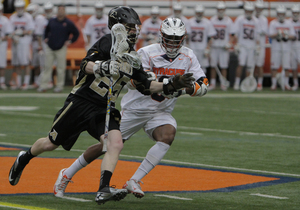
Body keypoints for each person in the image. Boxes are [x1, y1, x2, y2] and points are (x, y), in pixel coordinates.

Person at [8, 7, 194, 205]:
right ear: (117, 27)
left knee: (115, 142)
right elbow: (85, 64)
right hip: (81, 101)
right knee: (50, 143)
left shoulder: (133, 56)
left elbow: (147, 85)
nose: (134, 31)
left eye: (135, 27)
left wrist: (171, 84)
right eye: (129, 27)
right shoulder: (107, 42)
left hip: (104, 106)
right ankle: (24, 157)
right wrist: (103, 66)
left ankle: (103, 188)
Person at [51, 17, 208, 199]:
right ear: (161, 36)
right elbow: (136, 83)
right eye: (169, 38)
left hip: (160, 110)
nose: (172, 43)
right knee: (106, 146)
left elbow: (203, 83)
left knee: (168, 135)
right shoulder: (147, 52)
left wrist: (187, 89)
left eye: (176, 39)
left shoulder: (188, 55)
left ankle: (134, 180)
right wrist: (170, 85)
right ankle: (67, 173)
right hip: (135, 108)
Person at [38, 4, 79, 93]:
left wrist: (70, 41)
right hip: (50, 47)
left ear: (65, 11)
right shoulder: (52, 21)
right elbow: (46, 30)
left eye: (62, 10)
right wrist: (46, 38)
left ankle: (59, 86)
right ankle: (43, 85)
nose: (60, 11)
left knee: (60, 68)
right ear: (57, 11)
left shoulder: (68, 23)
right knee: (47, 67)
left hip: (61, 48)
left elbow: (76, 33)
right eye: (59, 10)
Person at [232, 1, 261, 90]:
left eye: (250, 11)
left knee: (249, 66)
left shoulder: (256, 21)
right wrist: (236, 44)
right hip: (243, 46)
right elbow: (235, 33)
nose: (248, 12)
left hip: (252, 47)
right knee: (241, 64)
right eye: (247, 10)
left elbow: (257, 36)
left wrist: (258, 46)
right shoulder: (240, 19)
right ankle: (236, 83)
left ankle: (247, 83)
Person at [209, 1, 235, 91]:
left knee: (224, 66)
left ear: (224, 10)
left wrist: (229, 43)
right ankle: (212, 83)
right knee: (213, 66)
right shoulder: (212, 20)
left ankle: (223, 83)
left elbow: (233, 34)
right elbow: (209, 34)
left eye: (222, 9)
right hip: (215, 46)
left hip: (224, 47)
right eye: (219, 9)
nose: (220, 11)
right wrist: (210, 43)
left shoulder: (228, 20)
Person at [269, 5, 296, 90]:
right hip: (276, 48)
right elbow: (270, 35)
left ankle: (286, 84)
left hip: (286, 48)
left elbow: (293, 36)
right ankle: (273, 84)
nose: (281, 15)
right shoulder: (273, 23)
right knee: (274, 67)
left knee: (286, 67)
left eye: (282, 14)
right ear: (277, 14)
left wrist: (286, 36)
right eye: (279, 13)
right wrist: (278, 34)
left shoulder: (289, 23)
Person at [9, 0, 34, 90]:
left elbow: (31, 30)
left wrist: (22, 32)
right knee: (17, 63)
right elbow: (9, 30)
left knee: (26, 62)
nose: (19, 9)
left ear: (23, 8)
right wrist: (14, 36)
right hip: (15, 42)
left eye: (21, 8)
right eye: (18, 8)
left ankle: (26, 83)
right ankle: (18, 83)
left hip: (25, 42)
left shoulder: (28, 17)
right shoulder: (12, 17)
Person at [188, 5, 216, 75]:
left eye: (200, 12)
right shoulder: (190, 22)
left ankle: (203, 83)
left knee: (203, 67)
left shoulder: (207, 23)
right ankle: (193, 83)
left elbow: (210, 37)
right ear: (195, 13)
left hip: (203, 48)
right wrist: (187, 45)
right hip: (192, 48)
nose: (199, 14)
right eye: (198, 12)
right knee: (191, 66)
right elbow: (186, 36)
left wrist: (208, 48)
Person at [26, 3, 48, 89]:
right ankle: (36, 81)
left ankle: (45, 81)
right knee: (35, 64)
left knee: (43, 64)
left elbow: (39, 34)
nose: (29, 13)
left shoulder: (40, 19)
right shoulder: (30, 19)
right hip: (33, 43)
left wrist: (40, 46)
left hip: (42, 43)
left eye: (31, 11)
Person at [254, 0, 268, 91]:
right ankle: (250, 82)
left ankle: (259, 83)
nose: (258, 10)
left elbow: (264, 31)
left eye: (260, 8)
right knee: (250, 66)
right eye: (257, 8)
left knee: (259, 65)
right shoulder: (251, 18)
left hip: (260, 45)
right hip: (251, 45)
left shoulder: (264, 19)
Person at [0, 3, 12, 89]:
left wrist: (2, 38)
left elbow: (9, 34)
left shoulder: (4, 20)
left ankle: (2, 82)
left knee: (2, 64)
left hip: (2, 44)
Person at [288, 4, 300, 91]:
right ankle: (295, 84)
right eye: (294, 12)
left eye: (297, 12)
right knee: (294, 67)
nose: (295, 14)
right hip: (291, 46)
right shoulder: (288, 22)